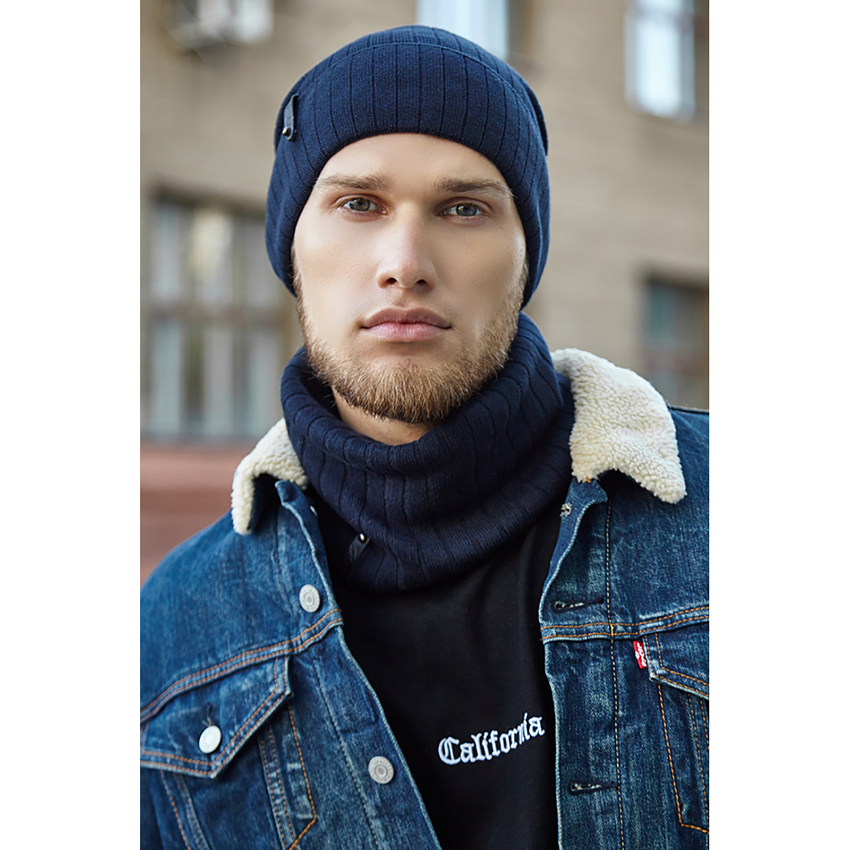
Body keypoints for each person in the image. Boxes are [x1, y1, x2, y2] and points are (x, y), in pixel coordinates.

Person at [140, 25, 708, 850]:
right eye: (358, 204)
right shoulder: (174, 627)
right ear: (291, 251)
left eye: (463, 208)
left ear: (526, 258)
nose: (404, 261)